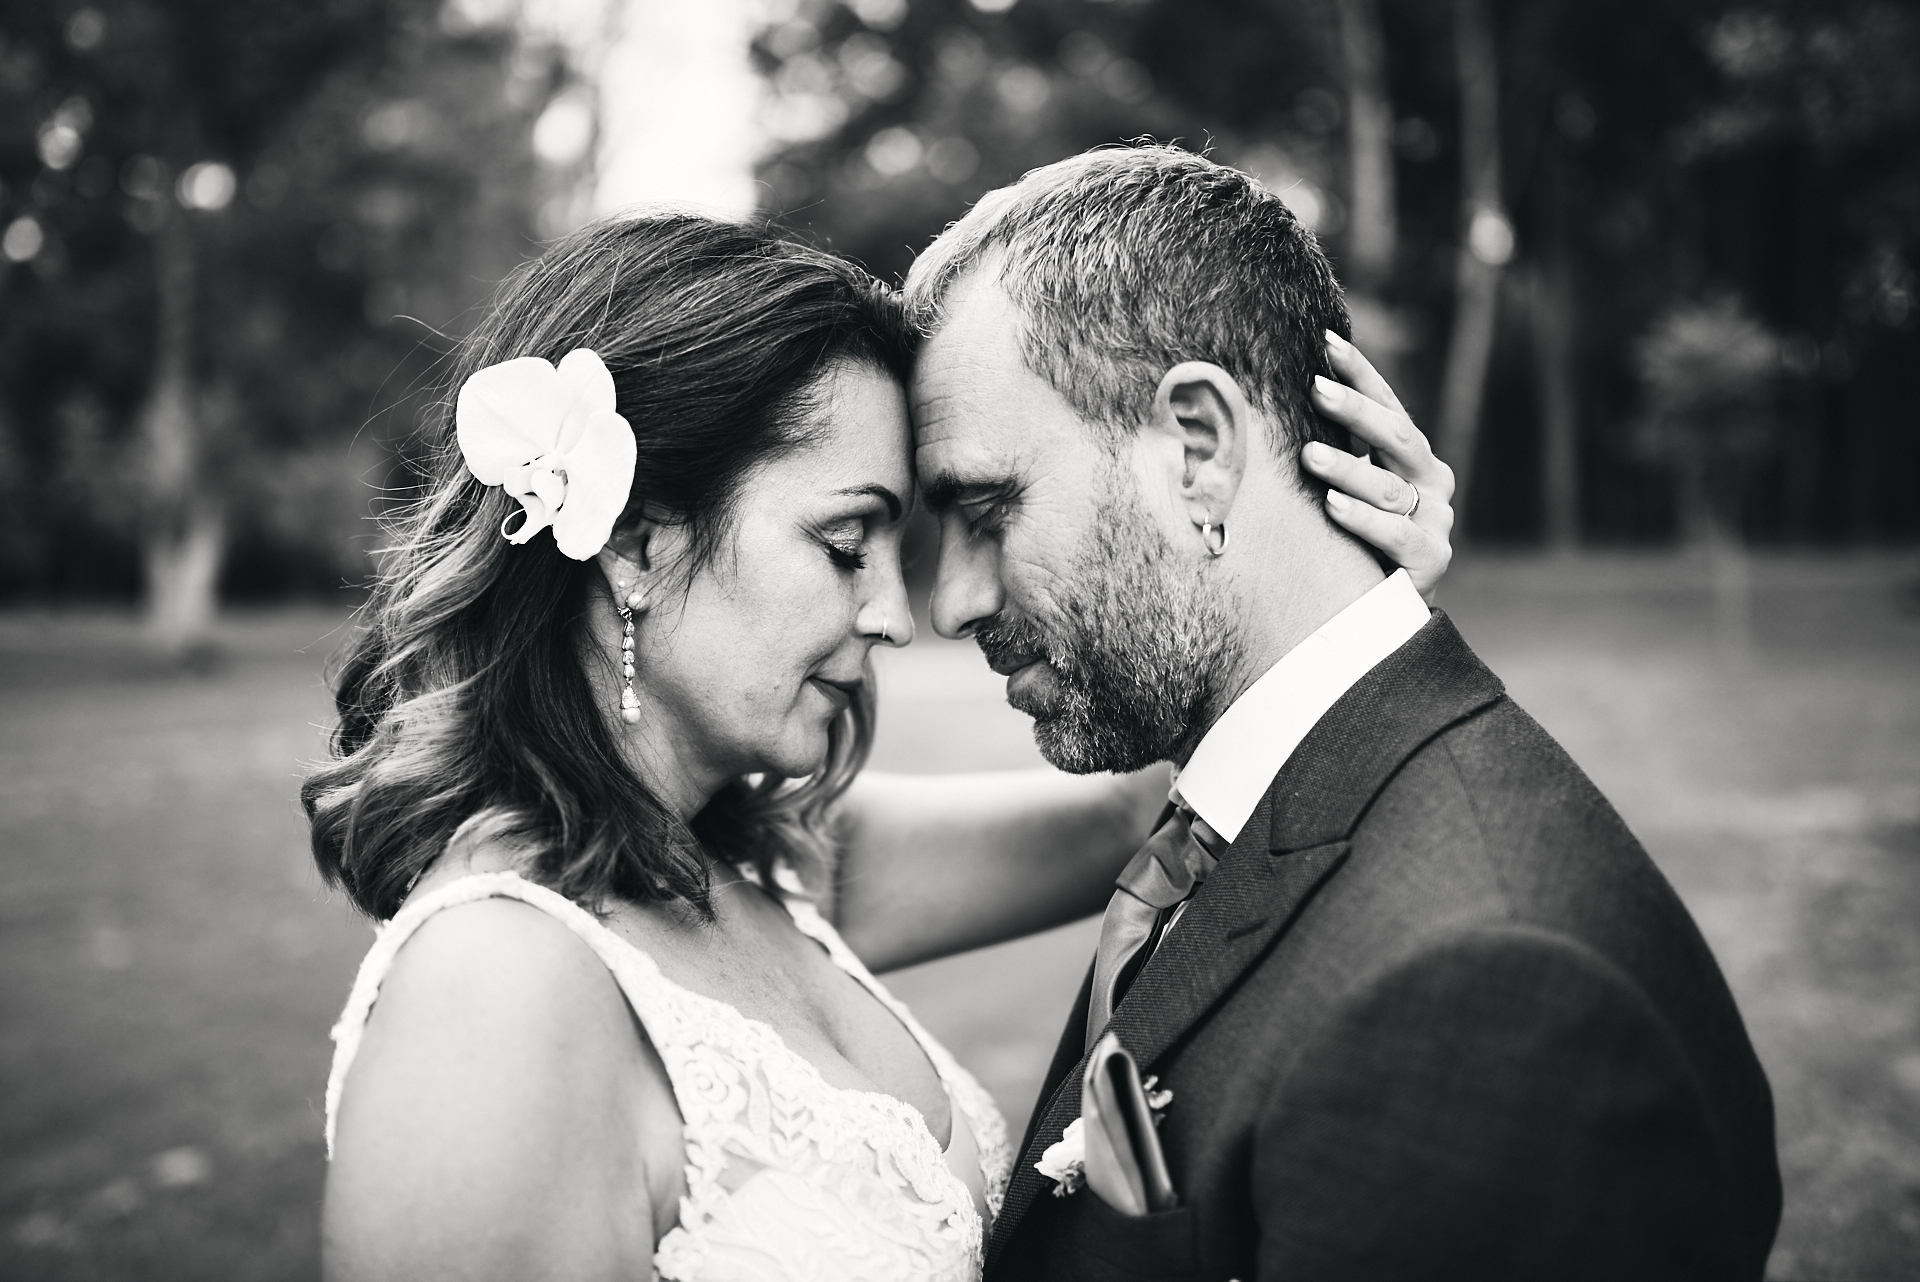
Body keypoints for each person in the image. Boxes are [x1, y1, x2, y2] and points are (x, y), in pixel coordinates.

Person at [308, 210, 1451, 1281]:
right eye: (846, 542)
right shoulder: (493, 997)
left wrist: (1318, 568)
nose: (898, 616)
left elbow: (1156, 814)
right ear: (636, 547)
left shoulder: (766, 863)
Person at [902, 145, 1782, 1281]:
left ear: (1201, 451)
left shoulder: (1488, 999)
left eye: (985, 508)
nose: (949, 600)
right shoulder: (1248, 810)